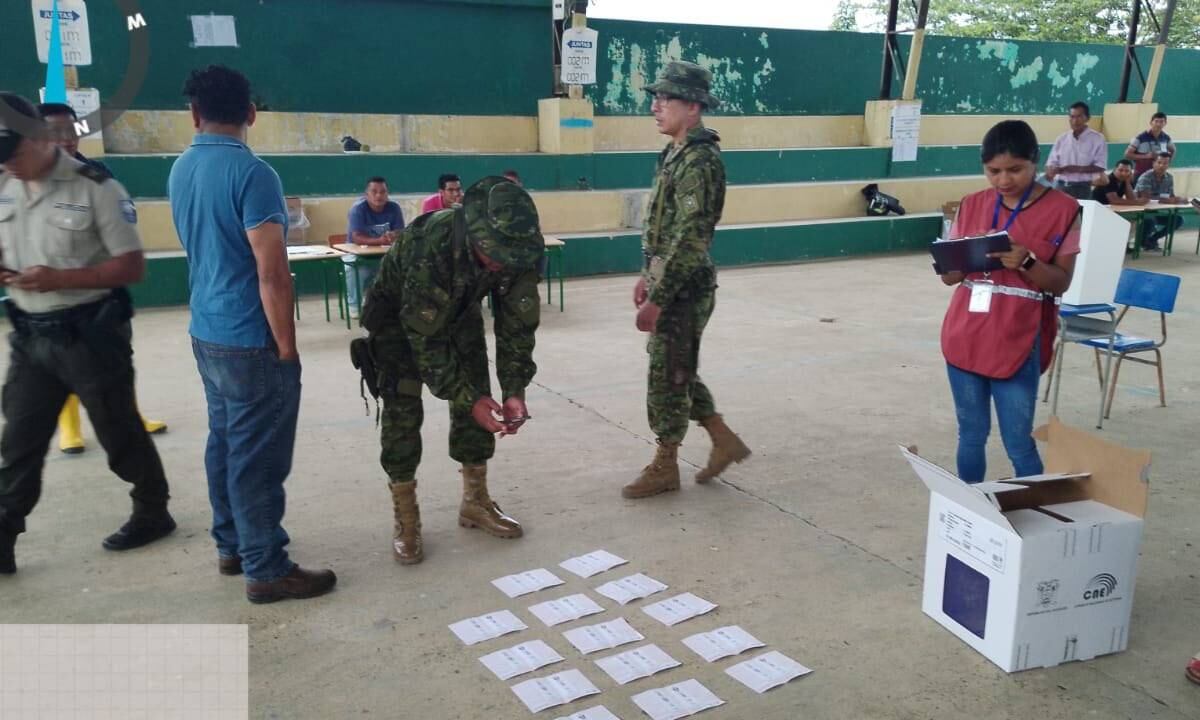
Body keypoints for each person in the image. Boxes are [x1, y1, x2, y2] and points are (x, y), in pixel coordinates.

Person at [168, 65, 335, 603]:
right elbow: (272, 273)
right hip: (247, 338)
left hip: (207, 330)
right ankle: (265, 567)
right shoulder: (253, 174)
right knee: (257, 456)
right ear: (251, 113)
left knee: (224, 442)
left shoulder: (181, 168)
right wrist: (286, 348)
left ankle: (233, 545)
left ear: (195, 114)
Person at [0, 92, 176, 574]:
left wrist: (61, 278)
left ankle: (152, 509)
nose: (8, 163)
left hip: (90, 334)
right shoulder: (5, 184)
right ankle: (3, 533)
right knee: (18, 442)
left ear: (39, 137)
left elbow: (131, 266)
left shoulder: (96, 188)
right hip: (30, 337)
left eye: (13, 151)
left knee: (118, 431)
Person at [356, 176, 543, 564]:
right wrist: (467, 397)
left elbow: (517, 323)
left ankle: (475, 501)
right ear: (475, 233)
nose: (500, 263)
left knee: (477, 396)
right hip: (399, 322)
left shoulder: (518, 246)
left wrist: (514, 388)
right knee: (403, 412)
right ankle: (406, 518)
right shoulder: (432, 243)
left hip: (460, 312)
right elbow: (425, 342)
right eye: (493, 253)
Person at [623, 61, 751, 500]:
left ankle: (666, 464)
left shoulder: (700, 160)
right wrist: (647, 275)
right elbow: (663, 227)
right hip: (669, 279)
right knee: (675, 367)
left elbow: (692, 236)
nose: (655, 106)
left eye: (665, 99)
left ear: (693, 107)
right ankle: (722, 437)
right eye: (655, 98)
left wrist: (659, 296)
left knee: (668, 375)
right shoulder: (674, 152)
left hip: (685, 287)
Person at [938, 120, 1081, 484]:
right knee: (971, 433)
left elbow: (1061, 283)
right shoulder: (972, 204)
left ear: (1035, 162)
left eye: (1015, 169)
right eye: (993, 171)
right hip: (966, 332)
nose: (1003, 180)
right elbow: (949, 277)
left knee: (1018, 442)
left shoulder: (1064, 209)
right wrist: (967, 254)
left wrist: (1027, 261)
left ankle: (1035, 510)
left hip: (1017, 335)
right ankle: (972, 508)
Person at [36, 102, 168, 453]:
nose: (66, 139)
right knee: (63, 355)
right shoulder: (29, 180)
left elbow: (124, 218)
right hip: (55, 289)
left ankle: (130, 416)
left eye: (71, 131)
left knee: (118, 353)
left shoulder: (98, 173)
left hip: (103, 283)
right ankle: (70, 428)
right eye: (55, 132)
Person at [343, 176, 404, 318]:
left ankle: (393, 304)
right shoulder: (358, 209)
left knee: (400, 267)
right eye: (374, 192)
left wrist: (394, 235)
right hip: (357, 254)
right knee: (355, 270)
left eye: (383, 192)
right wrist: (380, 240)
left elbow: (401, 231)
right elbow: (356, 237)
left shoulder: (394, 208)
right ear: (366, 194)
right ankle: (354, 305)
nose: (379, 195)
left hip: (384, 254)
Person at [1044, 102, 1106, 200]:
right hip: (1060, 186)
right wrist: (1052, 169)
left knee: (1081, 210)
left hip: (1083, 188)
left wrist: (1074, 168)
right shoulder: (1061, 139)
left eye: (1079, 117)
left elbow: (1100, 166)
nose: (1075, 121)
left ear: (1087, 118)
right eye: (1072, 117)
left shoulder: (1098, 139)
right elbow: (1050, 163)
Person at [1134, 152, 1184, 252]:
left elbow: (1171, 196)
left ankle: (1152, 239)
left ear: (1169, 165)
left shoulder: (1169, 178)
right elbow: (1146, 197)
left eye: (1165, 163)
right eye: (1159, 162)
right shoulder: (1146, 177)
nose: (1162, 166)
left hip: (1157, 211)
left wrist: (1179, 200)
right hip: (1142, 211)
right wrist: (1167, 200)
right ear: (1154, 163)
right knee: (1150, 220)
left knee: (1178, 220)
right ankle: (1142, 242)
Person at [1124, 112, 1175, 179]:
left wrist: (1167, 163)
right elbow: (1127, 154)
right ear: (1151, 123)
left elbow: (1173, 150)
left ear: (1165, 123)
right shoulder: (1141, 137)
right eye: (1156, 121)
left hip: (1158, 175)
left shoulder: (1166, 138)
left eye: (1161, 122)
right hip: (1141, 174)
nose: (1158, 124)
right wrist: (1146, 156)